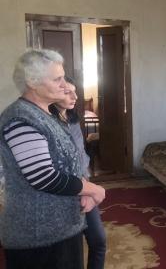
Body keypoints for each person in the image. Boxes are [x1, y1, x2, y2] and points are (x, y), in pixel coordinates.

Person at [0, 49, 106, 269]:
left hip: (60, 229)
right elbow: (44, 177)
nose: (65, 85)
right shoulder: (22, 118)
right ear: (32, 81)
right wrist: (92, 189)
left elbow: (67, 162)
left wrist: (84, 188)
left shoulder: (46, 113)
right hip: (39, 236)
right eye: (57, 79)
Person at [50, 80, 107, 269]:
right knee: (69, 253)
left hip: (84, 185)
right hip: (63, 192)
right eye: (68, 93)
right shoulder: (47, 123)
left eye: (75, 92)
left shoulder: (72, 120)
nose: (74, 97)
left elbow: (81, 155)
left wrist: (87, 186)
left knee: (98, 240)